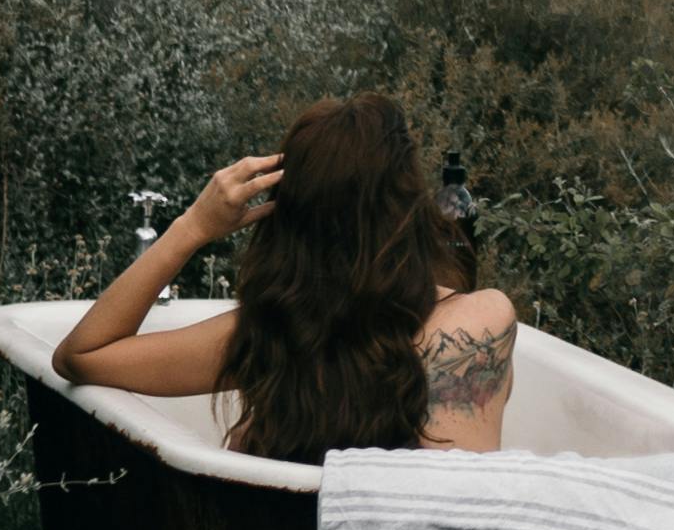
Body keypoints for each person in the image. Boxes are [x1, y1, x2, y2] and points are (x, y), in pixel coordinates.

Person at [51, 94, 518, 455]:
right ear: (410, 204)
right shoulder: (483, 324)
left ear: (289, 213)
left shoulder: (266, 334)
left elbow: (80, 355)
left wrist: (193, 227)